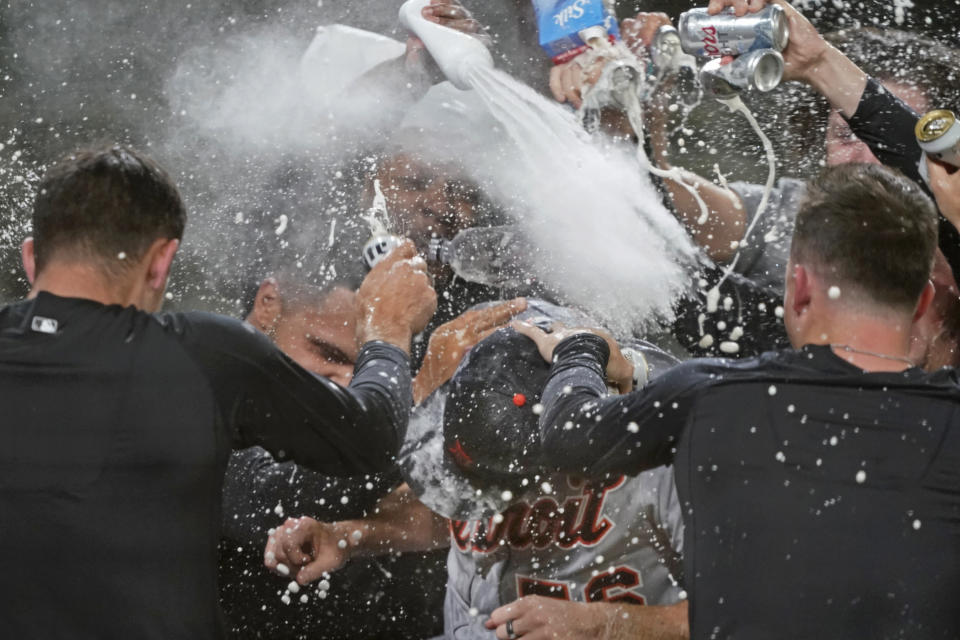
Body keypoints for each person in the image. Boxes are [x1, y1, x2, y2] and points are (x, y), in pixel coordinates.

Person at [0, 144, 436, 638]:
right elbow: (370, 436)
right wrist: (388, 330)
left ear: (31, 257)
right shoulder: (205, 356)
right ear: (161, 261)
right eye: (331, 355)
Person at [515, 162, 960, 639]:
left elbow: (569, 435)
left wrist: (580, 348)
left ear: (800, 286)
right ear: (922, 301)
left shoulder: (712, 395)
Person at [267, 301, 691, 640]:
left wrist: (606, 627)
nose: (482, 499)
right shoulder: (472, 357)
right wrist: (346, 536)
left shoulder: (672, 440)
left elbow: (750, 609)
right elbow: (454, 512)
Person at [220, 269, 525, 639]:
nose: (350, 385)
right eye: (326, 352)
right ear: (269, 304)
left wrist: (353, 536)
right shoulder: (199, 380)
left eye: (370, 367)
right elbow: (267, 499)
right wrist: (418, 398)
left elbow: (442, 507)